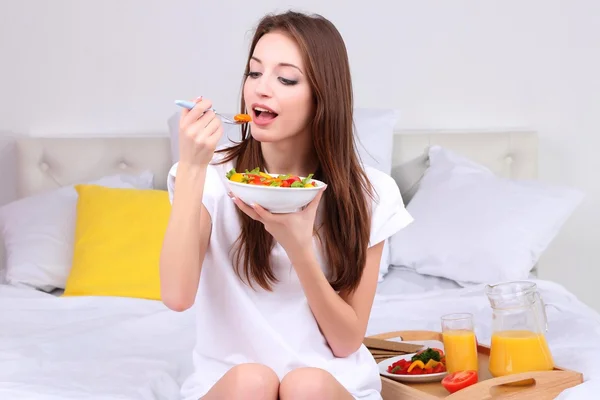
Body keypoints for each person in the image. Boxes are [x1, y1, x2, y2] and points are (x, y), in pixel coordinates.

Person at [160, 10, 413, 400]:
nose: (261, 89)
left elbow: (346, 342)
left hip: (330, 386)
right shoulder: (210, 177)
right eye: (254, 72)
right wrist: (193, 166)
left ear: (322, 97)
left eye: (286, 78)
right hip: (231, 388)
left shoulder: (371, 193)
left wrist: (299, 248)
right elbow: (176, 297)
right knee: (252, 382)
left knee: (306, 385)